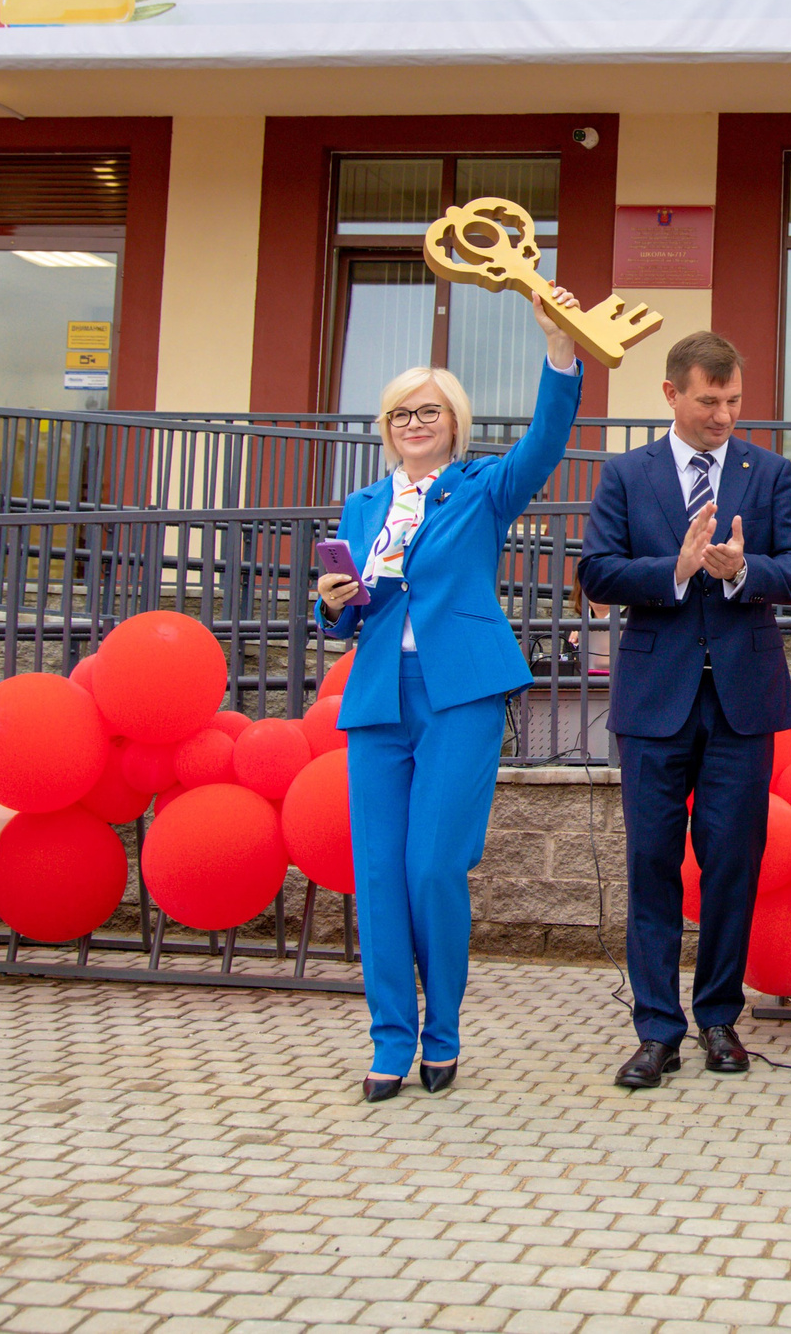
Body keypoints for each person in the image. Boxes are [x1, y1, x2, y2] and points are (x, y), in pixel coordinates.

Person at [316, 287, 584, 1104]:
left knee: (434, 865)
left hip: (460, 689)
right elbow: (345, 607)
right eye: (401, 413)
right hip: (376, 694)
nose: (414, 424)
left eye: (428, 411)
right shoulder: (364, 503)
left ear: (454, 421)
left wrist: (559, 353)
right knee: (380, 873)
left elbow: (545, 443)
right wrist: (334, 604)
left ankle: (444, 1032)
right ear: (386, 425)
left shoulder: (480, 488)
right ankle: (391, 1040)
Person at [578, 332, 791, 1089]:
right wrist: (676, 569)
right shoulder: (626, 474)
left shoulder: (769, 472)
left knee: (731, 865)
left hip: (742, 704)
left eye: (734, 401)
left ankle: (718, 1017)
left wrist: (744, 568)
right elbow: (596, 571)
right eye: (709, 400)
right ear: (672, 394)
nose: (723, 415)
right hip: (655, 704)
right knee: (651, 865)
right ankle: (657, 1030)